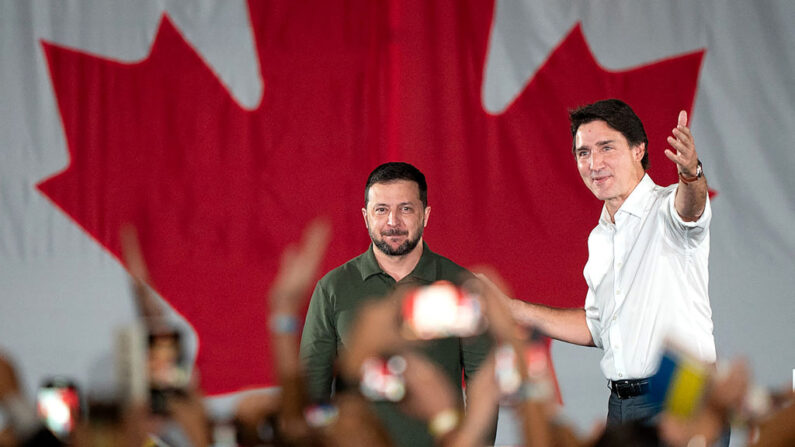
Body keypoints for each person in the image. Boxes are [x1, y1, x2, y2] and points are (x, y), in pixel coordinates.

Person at [482, 99, 718, 431]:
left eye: (606, 148)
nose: (594, 163)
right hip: (621, 406)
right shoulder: (600, 237)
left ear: (638, 150)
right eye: (583, 153)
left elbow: (690, 208)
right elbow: (596, 328)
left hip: (680, 398)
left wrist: (691, 173)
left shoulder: (666, 208)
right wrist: (515, 309)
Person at [299, 162, 494, 447]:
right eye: (381, 210)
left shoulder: (462, 285)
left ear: (425, 215)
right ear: (366, 217)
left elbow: (483, 385)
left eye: (405, 209)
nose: (393, 222)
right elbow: (311, 389)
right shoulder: (332, 288)